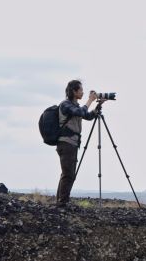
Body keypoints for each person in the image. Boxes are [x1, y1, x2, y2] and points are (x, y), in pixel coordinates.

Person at [55, 79, 105, 207]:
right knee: (68, 174)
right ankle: (63, 203)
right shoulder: (65, 105)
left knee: (68, 173)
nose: (83, 92)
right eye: (81, 90)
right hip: (66, 143)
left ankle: (61, 201)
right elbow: (80, 112)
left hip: (72, 144)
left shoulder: (76, 106)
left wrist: (98, 106)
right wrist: (90, 100)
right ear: (74, 91)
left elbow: (87, 116)